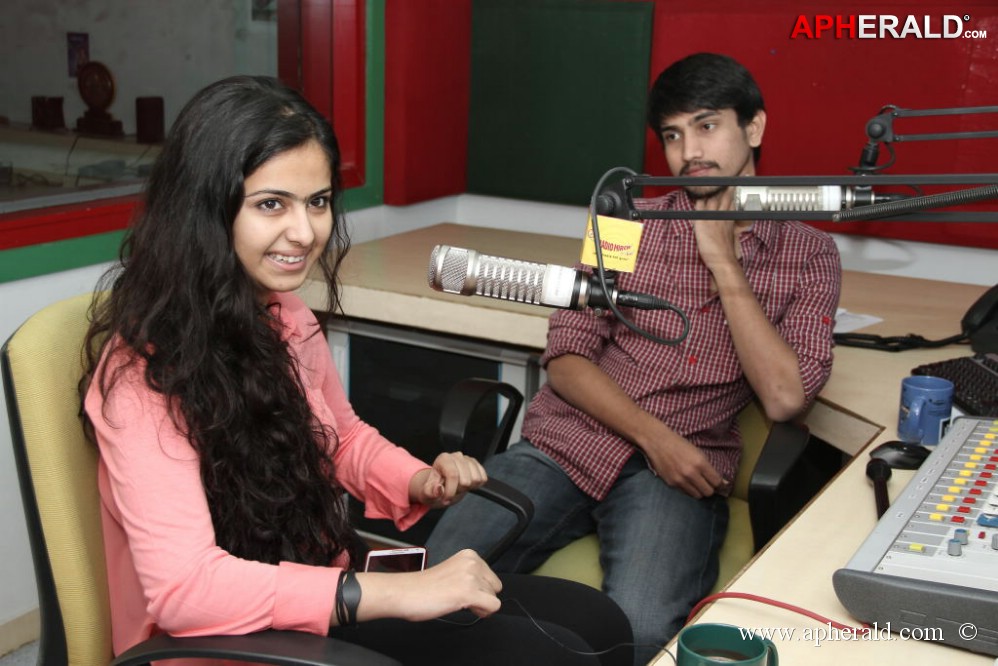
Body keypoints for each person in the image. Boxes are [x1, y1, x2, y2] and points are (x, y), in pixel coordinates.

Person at [82, 75, 634, 666]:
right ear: (206, 209)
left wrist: (419, 480)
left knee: (600, 623)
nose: (305, 232)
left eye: (317, 201)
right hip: (226, 644)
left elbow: (340, 436)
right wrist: (393, 592)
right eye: (272, 204)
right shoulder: (142, 379)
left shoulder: (283, 317)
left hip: (313, 598)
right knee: (558, 657)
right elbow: (187, 591)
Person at [426, 52, 842, 665]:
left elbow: (785, 397)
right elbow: (566, 359)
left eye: (707, 126)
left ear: (753, 128)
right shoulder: (624, 223)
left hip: (673, 480)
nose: (688, 151)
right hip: (567, 445)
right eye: (673, 135)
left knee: (641, 633)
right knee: (430, 580)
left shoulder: (809, 255)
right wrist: (656, 438)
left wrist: (722, 262)